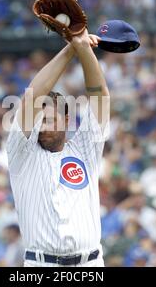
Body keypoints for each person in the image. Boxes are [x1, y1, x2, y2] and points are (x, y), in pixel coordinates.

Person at [6, 29, 110, 267]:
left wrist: (84, 49)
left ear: (66, 119)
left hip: (89, 263)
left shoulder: (85, 149)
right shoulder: (22, 155)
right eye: (38, 120)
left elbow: (99, 96)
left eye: (49, 119)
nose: (41, 126)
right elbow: (31, 98)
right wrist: (70, 48)